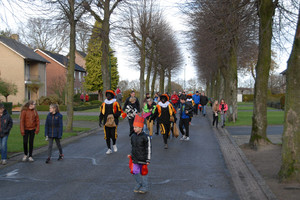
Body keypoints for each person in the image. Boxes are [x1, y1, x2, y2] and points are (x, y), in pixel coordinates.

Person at [128, 114, 151, 193]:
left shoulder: (145, 137)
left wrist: (148, 159)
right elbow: (133, 146)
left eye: (136, 127)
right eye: (134, 127)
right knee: (134, 172)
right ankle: (139, 183)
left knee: (143, 173)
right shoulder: (133, 136)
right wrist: (131, 154)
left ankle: (145, 186)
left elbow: (148, 148)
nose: (134, 129)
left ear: (141, 128)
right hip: (135, 157)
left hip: (143, 158)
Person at [99, 90, 122, 154]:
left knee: (113, 135)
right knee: (107, 135)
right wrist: (100, 120)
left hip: (114, 121)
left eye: (110, 95)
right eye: (107, 95)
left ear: (112, 96)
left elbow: (119, 111)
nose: (108, 96)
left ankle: (114, 144)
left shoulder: (115, 103)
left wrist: (114, 116)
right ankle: (109, 148)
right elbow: (101, 113)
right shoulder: (103, 104)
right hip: (106, 122)